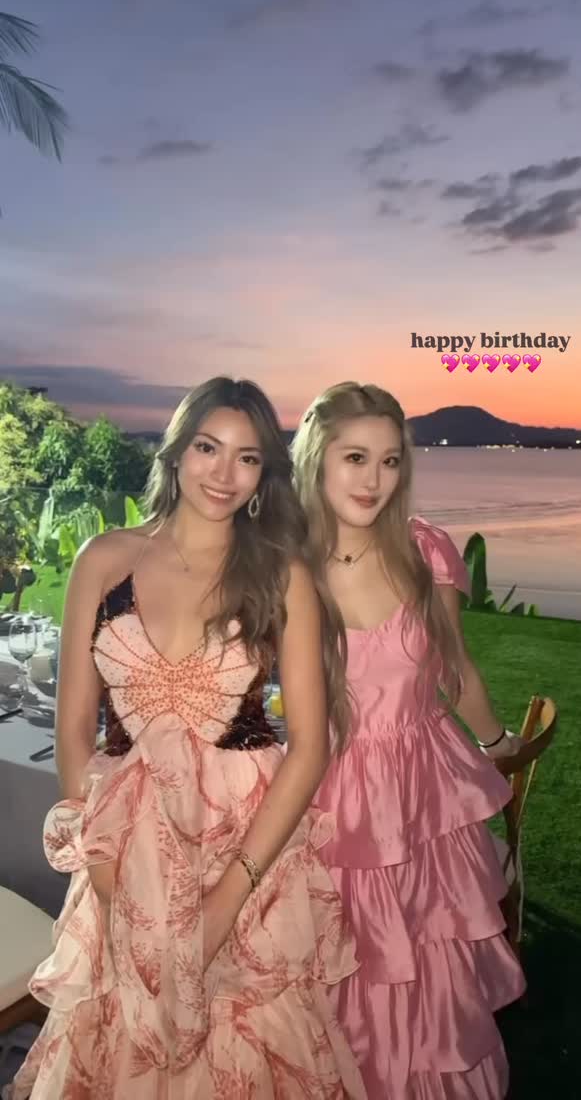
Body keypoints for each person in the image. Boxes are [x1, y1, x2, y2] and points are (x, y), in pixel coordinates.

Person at [7, 378, 365, 1100]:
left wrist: (227, 900)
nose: (223, 473)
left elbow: (310, 747)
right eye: (208, 447)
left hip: (241, 847)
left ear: (264, 475)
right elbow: (75, 727)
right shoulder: (104, 559)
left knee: (242, 1044)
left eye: (247, 457)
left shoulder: (281, 575)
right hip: (124, 847)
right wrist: (105, 873)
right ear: (176, 452)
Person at [290, 381, 526, 1099]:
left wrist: (497, 741)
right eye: (355, 458)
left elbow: (454, 668)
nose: (374, 479)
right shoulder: (283, 566)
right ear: (316, 459)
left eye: (390, 461)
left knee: (432, 957)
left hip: (426, 793)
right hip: (331, 799)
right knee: (346, 965)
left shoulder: (425, 550)